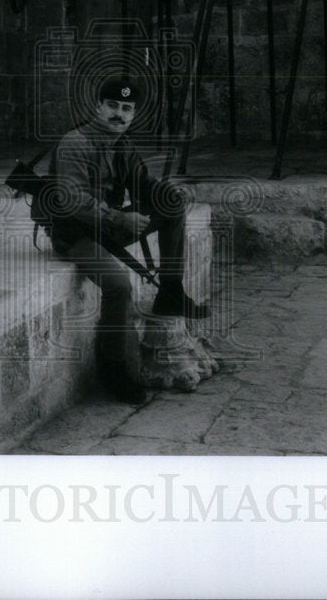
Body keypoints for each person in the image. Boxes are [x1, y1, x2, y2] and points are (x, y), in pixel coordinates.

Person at [47, 77, 209, 405]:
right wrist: (123, 219)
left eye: (127, 108)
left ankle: (171, 292)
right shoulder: (75, 143)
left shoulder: (122, 143)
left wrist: (163, 194)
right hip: (75, 233)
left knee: (171, 205)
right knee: (120, 285)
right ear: (99, 107)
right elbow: (72, 202)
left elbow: (141, 182)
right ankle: (113, 370)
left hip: (108, 226)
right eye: (113, 106)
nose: (119, 114)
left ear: (132, 113)